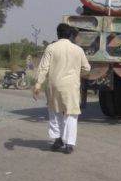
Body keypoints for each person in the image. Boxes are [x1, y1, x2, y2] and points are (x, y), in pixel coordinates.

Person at [32, 23, 91, 154]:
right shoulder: (77, 50)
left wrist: (37, 85)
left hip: (54, 85)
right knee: (71, 114)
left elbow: (43, 68)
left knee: (54, 112)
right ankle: (69, 144)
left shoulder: (51, 48)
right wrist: (77, 74)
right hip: (71, 86)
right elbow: (87, 68)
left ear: (57, 34)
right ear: (70, 35)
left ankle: (58, 139)